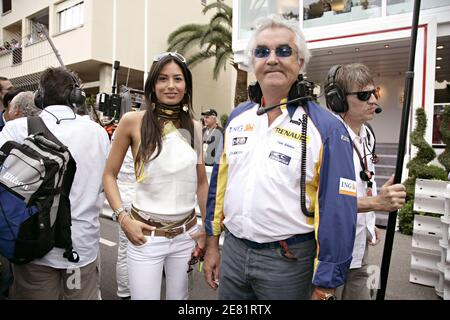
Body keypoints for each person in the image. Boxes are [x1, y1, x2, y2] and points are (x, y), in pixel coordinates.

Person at [203, 15, 357, 300]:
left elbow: (339, 212)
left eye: (283, 51)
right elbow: (219, 189)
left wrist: (325, 285)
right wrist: (212, 244)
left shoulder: (328, 129)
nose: (271, 59)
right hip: (233, 252)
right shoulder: (238, 117)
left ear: (300, 62)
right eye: (262, 52)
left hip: (288, 262)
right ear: (253, 62)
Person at [102, 52, 208, 300]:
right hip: (145, 238)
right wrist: (123, 219)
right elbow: (108, 175)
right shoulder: (132, 121)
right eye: (163, 79)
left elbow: (201, 183)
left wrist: (207, 231)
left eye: (177, 79)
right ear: (153, 85)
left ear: (186, 85)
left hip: (187, 235)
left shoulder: (196, 126)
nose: (171, 86)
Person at [0, 67, 110, 299]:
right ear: (76, 97)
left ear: (39, 97)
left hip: (33, 246)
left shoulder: (16, 129)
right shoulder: (98, 133)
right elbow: (104, 183)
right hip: (80, 249)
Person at [324, 63, 406, 300]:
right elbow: (328, 201)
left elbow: (364, 183)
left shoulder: (367, 133)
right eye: (363, 95)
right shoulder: (326, 139)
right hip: (331, 253)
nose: (373, 100)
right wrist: (378, 204)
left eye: (374, 93)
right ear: (338, 100)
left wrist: (371, 223)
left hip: (362, 247)